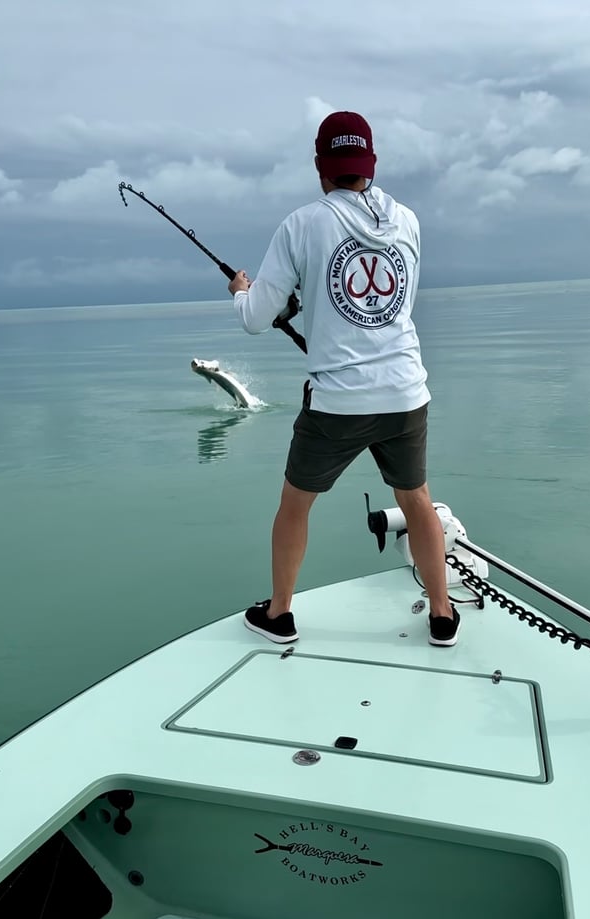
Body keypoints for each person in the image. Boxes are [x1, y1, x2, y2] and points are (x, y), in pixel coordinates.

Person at [228, 110, 460, 647]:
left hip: (337, 403)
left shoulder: (302, 224)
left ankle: (280, 615)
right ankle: (442, 616)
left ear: (320, 167)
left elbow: (255, 319)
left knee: (295, 505)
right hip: (405, 392)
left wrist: (244, 289)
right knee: (416, 498)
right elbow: (391, 302)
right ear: (369, 165)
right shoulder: (408, 220)